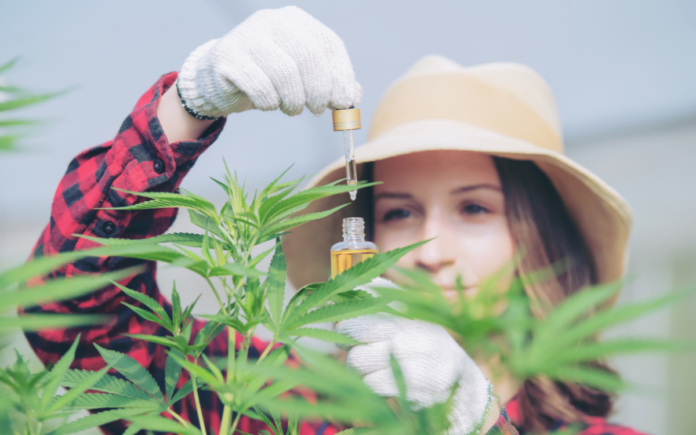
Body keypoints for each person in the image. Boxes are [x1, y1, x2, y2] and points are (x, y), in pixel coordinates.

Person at [23, 6, 645, 435]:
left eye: (474, 207)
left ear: (540, 242)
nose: (430, 250)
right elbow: (76, 321)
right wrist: (189, 103)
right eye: (399, 212)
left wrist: (479, 420)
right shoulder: (285, 401)